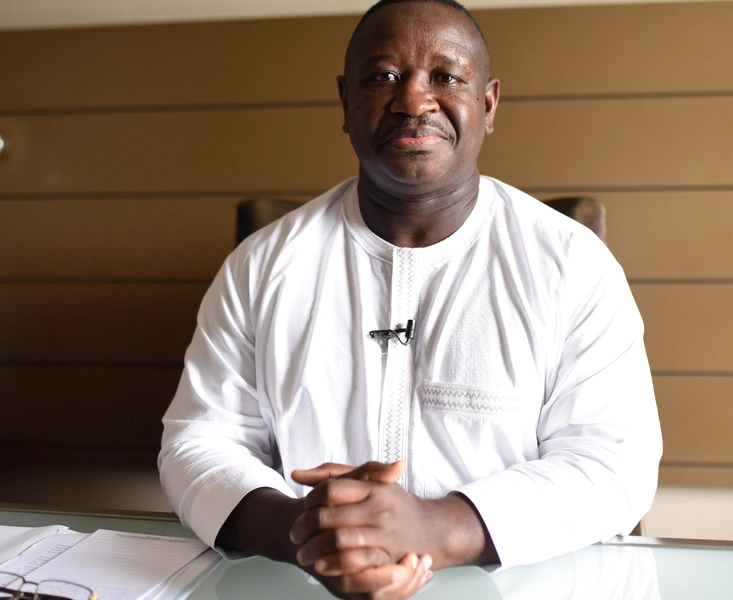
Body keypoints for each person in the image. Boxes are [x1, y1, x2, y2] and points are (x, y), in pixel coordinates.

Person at [158, 0, 662, 598]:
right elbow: (197, 441)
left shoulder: (572, 265)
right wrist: (309, 533)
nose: (414, 101)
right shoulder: (261, 266)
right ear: (346, 102)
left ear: (489, 104)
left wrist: (434, 527)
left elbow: (614, 465)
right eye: (384, 77)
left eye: (447, 77)